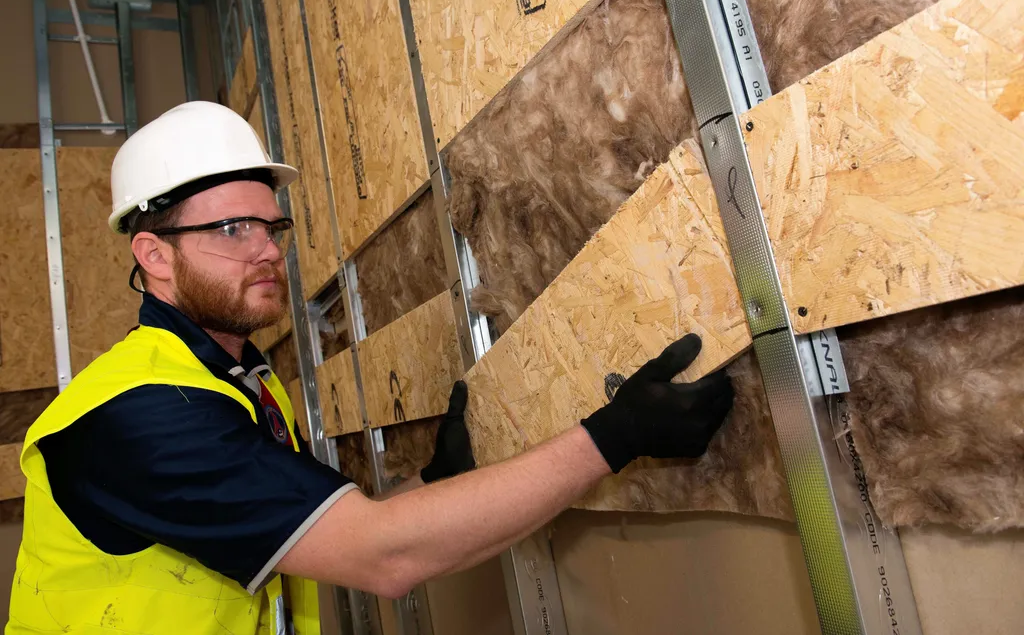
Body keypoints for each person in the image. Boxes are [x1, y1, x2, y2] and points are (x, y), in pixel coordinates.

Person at [6, 102, 734, 634]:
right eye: (231, 229)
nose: (266, 250)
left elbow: (298, 530)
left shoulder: (235, 381)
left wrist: (430, 484)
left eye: (271, 226)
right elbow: (384, 558)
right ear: (155, 256)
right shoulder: (142, 415)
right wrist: (614, 434)